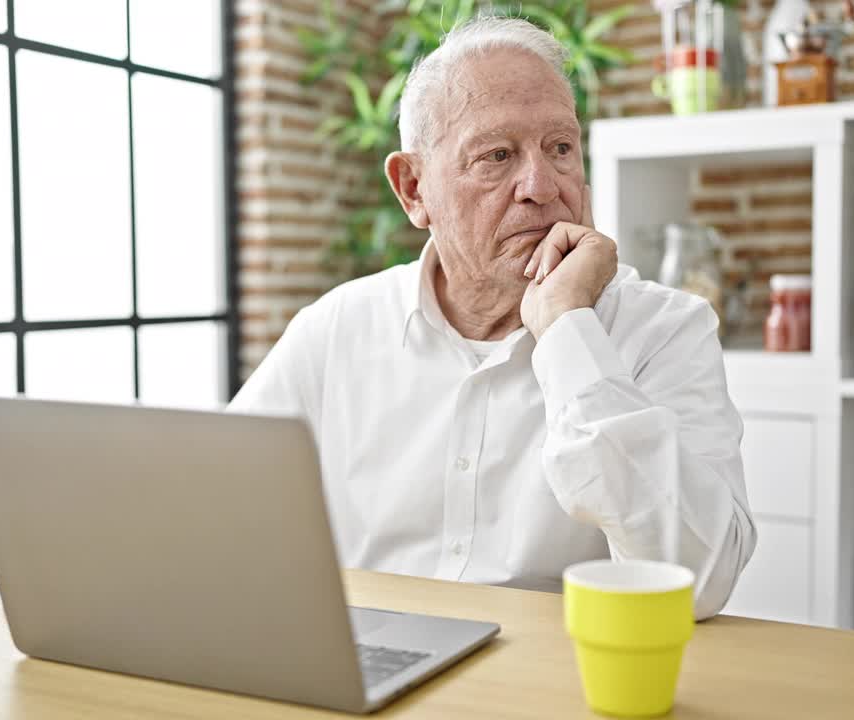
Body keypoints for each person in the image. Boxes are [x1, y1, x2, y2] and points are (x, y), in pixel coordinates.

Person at [229, 16, 755, 619]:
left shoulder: (666, 330)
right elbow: (215, 508)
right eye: (497, 156)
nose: (540, 185)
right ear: (413, 190)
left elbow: (699, 581)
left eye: (560, 148)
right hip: (370, 673)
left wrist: (565, 327)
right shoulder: (336, 329)